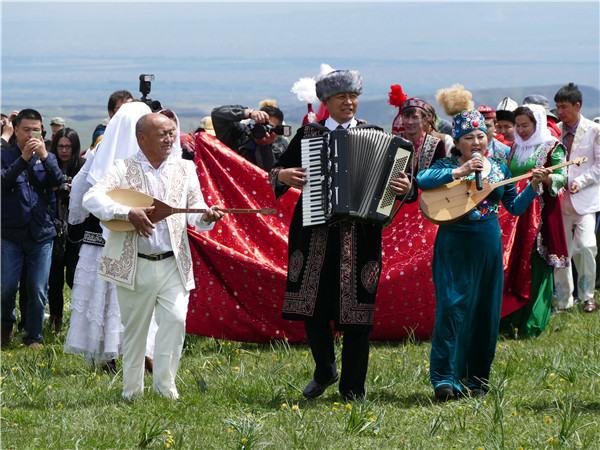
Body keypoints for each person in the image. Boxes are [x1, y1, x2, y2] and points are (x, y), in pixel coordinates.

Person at [269, 69, 415, 401]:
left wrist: (406, 188)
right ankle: (325, 369)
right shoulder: (308, 133)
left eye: (353, 97)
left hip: (361, 237)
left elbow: (405, 187)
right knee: (312, 308)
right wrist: (285, 175)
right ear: (326, 102)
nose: (348, 103)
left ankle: (353, 389)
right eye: (341, 98)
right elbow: (276, 170)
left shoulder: (376, 134)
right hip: (313, 233)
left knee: (357, 315)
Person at [418, 84, 546, 400]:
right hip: (454, 245)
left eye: (480, 136)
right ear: (458, 142)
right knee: (452, 308)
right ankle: (445, 379)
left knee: (485, 311)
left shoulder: (499, 168)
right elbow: (422, 181)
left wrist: (533, 186)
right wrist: (461, 171)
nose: (476, 142)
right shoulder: (448, 167)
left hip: (488, 245)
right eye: (468, 138)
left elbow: (514, 207)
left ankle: (477, 379)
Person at [83, 112, 224, 399]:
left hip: (173, 262)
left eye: (172, 132)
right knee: (135, 332)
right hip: (134, 264)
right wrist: (126, 212)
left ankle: (165, 388)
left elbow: (195, 211)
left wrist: (208, 215)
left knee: (175, 321)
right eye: (162, 134)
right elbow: (91, 198)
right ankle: (132, 392)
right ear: (141, 138)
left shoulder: (186, 168)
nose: (170, 138)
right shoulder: (122, 168)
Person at [64, 102, 157, 372]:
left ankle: (107, 356)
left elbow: (81, 186)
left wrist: (75, 220)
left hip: (99, 231)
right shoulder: (148, 155)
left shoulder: (100, 150)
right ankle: (141, 351)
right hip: (138, 230)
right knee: (136, 292)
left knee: (102, 296)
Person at [500, 104, 568, 338]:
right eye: (517, 125)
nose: (520, 130)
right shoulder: (514, 148)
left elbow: (563, 177)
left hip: (540, 215)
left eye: (525, 125)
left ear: (537, 124)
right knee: (515, 263)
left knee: (537, 265)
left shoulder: (552, 147)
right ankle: (510, 320)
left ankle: (532, 323)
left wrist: (547, 178)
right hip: (516, 216)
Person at [1, 109, 64, 348]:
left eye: (35, 130)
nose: (30, 135)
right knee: (6, 287)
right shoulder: (5, 156)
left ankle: (33, 337)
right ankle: (6, 323)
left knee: (38, 288)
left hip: (41, 233)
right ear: (15, 130)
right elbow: (4, 181)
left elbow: (59, 181)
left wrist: (46, 158)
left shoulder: (47, 156)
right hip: (9, 232)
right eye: (25, 129)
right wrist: (24, 159)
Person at [553, 83, 600, 313]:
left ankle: (587, 296)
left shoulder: (594, 130)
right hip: (559, 201)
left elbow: (599, 166)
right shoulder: (554, 130)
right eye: (557, 107)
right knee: (560, 252)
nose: (560, 111)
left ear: (577, 105)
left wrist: (580, 181)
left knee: (586, 247)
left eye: (564, 106)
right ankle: (563, 301)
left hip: (585, 199)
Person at [46, 127, 86, 331]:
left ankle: (82, 320)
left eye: (68, 146)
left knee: (73, 276)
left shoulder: (83, 167)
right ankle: (56, 319)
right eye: (60, 146)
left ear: (75, 147)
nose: (64, 151)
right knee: (54, 278)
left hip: (76, 232)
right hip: (54, 228)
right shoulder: (48, 167)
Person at [211, 102, 288, 172]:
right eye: (262, 125)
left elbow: (271, 175)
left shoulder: (281, 147)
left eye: (269, 127)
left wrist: (264, 146)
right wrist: (248, 113)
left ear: (277, 132)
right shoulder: (241, 135)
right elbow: (217, 115)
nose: (265, 130)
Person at [400, 98, 446, 174]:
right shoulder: (395, 143)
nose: (410, 122)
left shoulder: (437, 145)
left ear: (425, 120)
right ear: (402, 119)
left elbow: (440, 176)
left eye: (415, 117)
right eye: (406, 117)